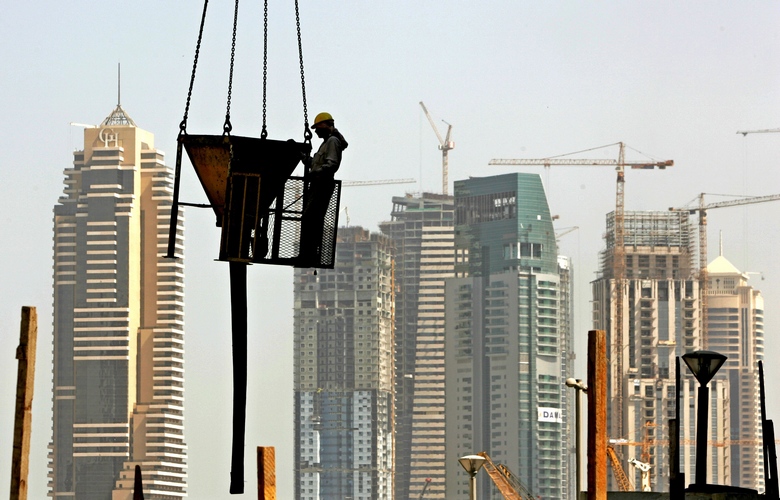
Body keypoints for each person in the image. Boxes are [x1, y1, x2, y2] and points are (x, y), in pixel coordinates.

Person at [298, 112, 348, 264]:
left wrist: (316, 173)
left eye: (317, 127)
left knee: (311, 219)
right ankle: (308, 254)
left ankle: (310, 255)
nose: (315, 131)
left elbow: (331, 164)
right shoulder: (326, 143)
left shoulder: (332, 141)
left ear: (326, 125)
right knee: (310, 219)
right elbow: (317, 163)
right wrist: (304, 157)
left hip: (323, 184)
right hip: (318, 183)